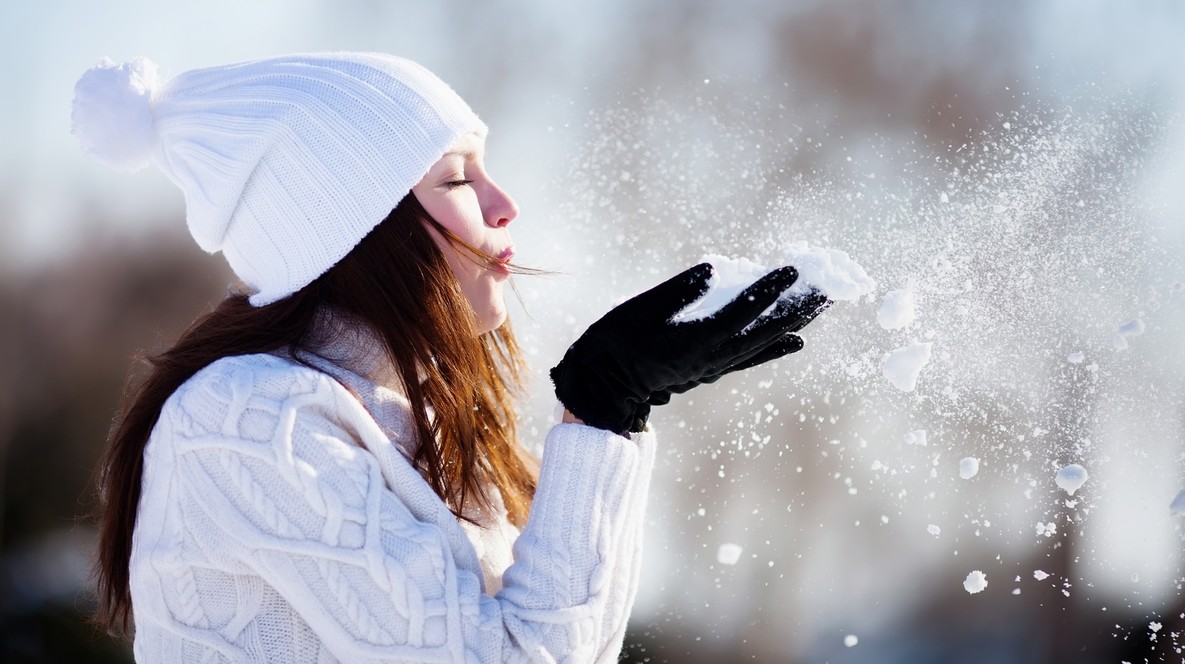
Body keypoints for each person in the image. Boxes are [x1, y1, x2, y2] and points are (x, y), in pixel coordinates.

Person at [72, 52, 828, 662]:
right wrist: (598, 411)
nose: (504, 205)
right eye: (457, 177)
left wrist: (612, 416)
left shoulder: (417, 417)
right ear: (356, 228)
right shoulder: (248, 418)